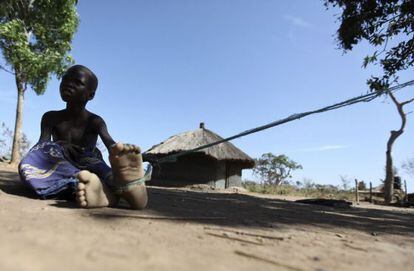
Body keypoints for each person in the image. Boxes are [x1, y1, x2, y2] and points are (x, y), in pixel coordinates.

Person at [18, 65, 149, 209]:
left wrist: (121, 153)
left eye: (77, 82)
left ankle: (126, 185)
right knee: (33, 160)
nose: (68, 84)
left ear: (90, 95)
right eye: (65, 79)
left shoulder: (95, 121)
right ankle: (105, 191)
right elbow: (42, 143)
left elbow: (110, 144)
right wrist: (33, 157)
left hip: (87, 159)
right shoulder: (50, 117)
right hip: (59, 159)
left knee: (98, 165)